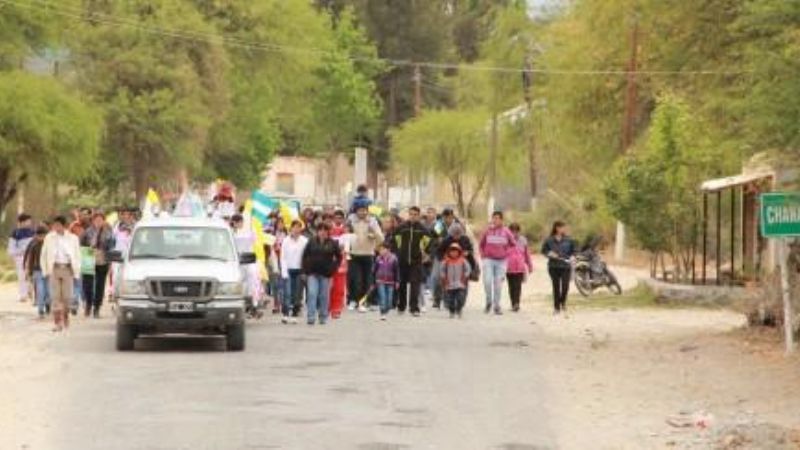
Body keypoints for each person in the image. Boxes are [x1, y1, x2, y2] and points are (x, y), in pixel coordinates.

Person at [40, 216, 81, 332]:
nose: (55, 227)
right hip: (54, 268)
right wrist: (45, 270)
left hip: (67, 269)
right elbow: (44, 254)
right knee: (55, 297)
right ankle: (57, 322)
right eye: (54, 225)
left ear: (64, 225)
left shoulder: (73, 238)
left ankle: (65, 317)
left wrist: (76, 270)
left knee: (67, 297)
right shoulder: (49, 237)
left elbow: (77, 255)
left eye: (58, 225)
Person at [392, 206, 432, 316]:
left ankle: (414, 308)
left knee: (415, 284)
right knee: (402, 284)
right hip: (402, 260)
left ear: (418, 216)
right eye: (411, 214)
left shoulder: (423, 229)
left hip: (416, 261)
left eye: (415, 215)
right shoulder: (401, 228)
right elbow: (394, 241)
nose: (413, 216)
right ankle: (401, 306)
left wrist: (426, 253)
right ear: (408, 215)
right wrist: (396, 253)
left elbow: (428, 243)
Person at [301, 223, 342, 325]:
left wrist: (334, 268)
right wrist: (305, 270)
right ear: (317, 231)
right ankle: (311, 316)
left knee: (324, 295)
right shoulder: (311, 242)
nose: (322, 232)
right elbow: (305, 256)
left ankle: (323, 316)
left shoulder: (332, 243)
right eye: (320, 230)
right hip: (312, 273)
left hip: (326, 274)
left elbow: (339, 257)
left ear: (328, 232)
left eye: (325, 230)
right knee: (312, 293)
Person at [478, 211, 516, 315]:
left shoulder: (506, 231)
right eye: (494, 218)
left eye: (498, 218)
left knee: (498, 284)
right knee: (487, 281)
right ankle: (488, 301)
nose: (495, 220)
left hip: (501, 261)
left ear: (501, 220)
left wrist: (506, 253)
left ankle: (496, 306)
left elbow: (513, 244)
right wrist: (482, 255)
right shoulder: (487, 230)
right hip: (488, 260)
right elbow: (481, 244)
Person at [347, 205, 383, 312]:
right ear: (356, 211)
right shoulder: (351, 221)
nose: (362, 213)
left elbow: (381, 238)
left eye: (364, 211)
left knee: (367, 280)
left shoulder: (372, 222)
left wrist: (374, 233)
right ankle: (353, 300)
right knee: (355, 279)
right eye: (360, 210)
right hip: (354, 254)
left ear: (367, 211)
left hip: (368, 254)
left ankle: (362, 302)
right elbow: (345, 235)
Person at [80, 212, 114, 318]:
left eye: (100, 220)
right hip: (88, 256)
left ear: (104, 221)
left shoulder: (108, 232)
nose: (98, 222)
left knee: (100, 284)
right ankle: (88, 304)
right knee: (87, 283)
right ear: (93, 221)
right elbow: (81, 243)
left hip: (102, 257)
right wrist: (89, 247)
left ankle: (97, 307)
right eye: (96, 220)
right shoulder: (87, 231)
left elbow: (111, 245)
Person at [541, 220, 577, 316]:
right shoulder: (549, 240)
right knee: (556, 287)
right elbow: (544, 250)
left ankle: (563, 302)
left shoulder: (569, 239)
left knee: (565, 287)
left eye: (564, 227)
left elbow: (574, 250)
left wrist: (573, 256)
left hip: (566, 266)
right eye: (561, 227)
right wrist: (549, 253)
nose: (563, 229)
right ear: (556, 228)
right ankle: (556, 307)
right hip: (553, 266)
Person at [279, 220, 308, 324]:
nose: (296, 230)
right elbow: (283, 257)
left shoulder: (304, 241)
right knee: (287, 293)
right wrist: (284, 271)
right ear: (291, 228)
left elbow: (306, 257)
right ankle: (286, 313)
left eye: (298, 227)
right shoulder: (286, 241)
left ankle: (295, 313)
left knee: (297, 294)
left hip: (300, 270)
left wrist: (305, 270)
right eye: (294, 227)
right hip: (288, 269)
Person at [506, 223, 533, 312]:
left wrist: (530, 265)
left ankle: (517, 303)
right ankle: (513, 303)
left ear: (519, 231)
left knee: (518, 286)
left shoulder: (523, 240)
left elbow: (527, 254)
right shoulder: (506, 240)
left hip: (520, 267)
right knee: (511, 286)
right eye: (512, 231)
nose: (514, 233)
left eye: (516, 231)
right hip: (508, 267)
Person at [24, 226, 50, 318]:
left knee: (47, 290)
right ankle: (41, 309)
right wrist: (30, 272)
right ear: (36, 236)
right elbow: (30, 260)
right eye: (40, 236)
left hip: (47, 271)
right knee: (40, 290)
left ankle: (47, 305)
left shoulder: (49, 246)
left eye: (43, 236)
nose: (41, 238)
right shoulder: (35, 246)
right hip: (38, 271)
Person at [8, 214, 35, 303]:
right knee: (22, 276)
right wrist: (18, 254)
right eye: (27, 221)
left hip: (32, 256)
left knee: (32, 275)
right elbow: (11, 247)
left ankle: (30, 292)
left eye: (30, 221)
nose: (29, 223)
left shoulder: (33, 232)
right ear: (21, 222)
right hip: (21, 257)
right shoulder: (15, 233)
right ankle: (23, 295)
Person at [440, 243, 471, 318]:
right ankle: (452, 311)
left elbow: (468, 269)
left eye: (456, 251)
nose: (454, 253)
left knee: (460, 298)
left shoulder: (463, 261)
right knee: (450, 300)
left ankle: (459, 309)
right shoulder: (446, 261)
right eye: (452, 251)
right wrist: (444, 277)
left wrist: (465, 276)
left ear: (459, 252)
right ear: (449, 252)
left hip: (460, 284)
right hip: (449, 284)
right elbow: (442, 270)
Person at [328, 210, 349, 319]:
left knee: (339, 288)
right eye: (336, 217)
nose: (338, 220)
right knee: (329, 286)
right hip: (329, 262)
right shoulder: (328, 230)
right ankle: (328, 307)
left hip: (342, 263)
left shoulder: (345, 231)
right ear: (333, 219)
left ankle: (337, 309)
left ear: (343, 219)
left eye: (340, 218)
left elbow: (347, 247)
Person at [373, 243, 399, 320]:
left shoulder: (394, 259)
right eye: (380, 250)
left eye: (382, 249)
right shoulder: (378, 258)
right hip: (380, 281)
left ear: (388, 250)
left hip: (390, 281)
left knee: (389, 300)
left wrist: (397, 281)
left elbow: (396, 271)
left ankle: (386, 309)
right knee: (382, 297)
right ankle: (382, 312)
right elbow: (375, 270)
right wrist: (373, 280)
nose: (380, 251)